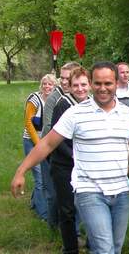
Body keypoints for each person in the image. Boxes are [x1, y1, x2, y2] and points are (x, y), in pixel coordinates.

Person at [12, 62, 129, 254]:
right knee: (105, 249)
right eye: (97, 83)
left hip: (122, 192)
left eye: (108, 83)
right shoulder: (75, 113)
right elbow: (48, 143)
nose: (102, 88)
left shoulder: (128, 114)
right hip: (89, 191)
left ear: (116, 83)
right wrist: (21, 171)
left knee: (115, 248)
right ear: (91, 83)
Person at [50, 67, 91, 254]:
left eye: (84, 84)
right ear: (69, 85)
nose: (80, 89)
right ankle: (70, 248)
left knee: (91, 206)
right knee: (67, 210)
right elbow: (56, 139)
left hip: (87, 165)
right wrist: (74, 156)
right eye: (76, 85)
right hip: (64, 165)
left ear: (89, 84)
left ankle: (93, 243)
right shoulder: (63, 104)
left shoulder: (93, 103)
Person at [41, 62, 80, 229]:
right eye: (61, 78)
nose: (63, 82)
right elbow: (50, 129)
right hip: (52, 150)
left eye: (67, 78)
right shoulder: (56, 99)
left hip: (74, 155)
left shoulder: (83, 98)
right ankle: (52, 225)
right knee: (55, 193)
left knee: (72, 197)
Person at [23, 73, 57, 221]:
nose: (47, 87)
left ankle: (34, 201)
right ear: (41, 85)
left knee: (45, 176)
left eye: (50, 84)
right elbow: (29, 123)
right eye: (45, 84)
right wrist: (39, 144)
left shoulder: (55, 100)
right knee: (40, 179)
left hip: (47, 143)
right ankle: (43, 214)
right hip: (32, 142)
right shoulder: (34, 100)